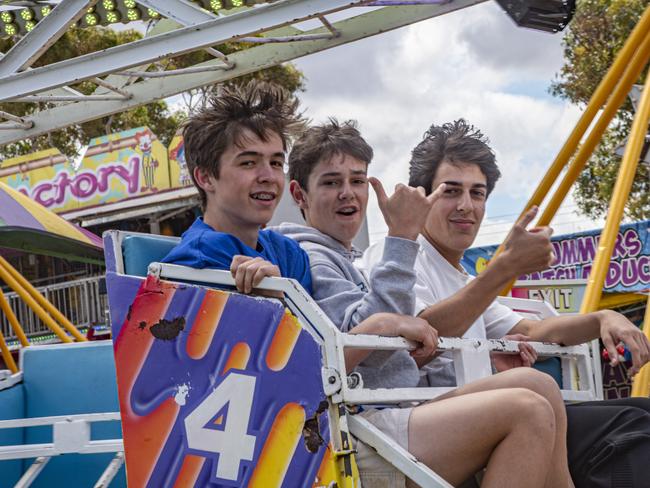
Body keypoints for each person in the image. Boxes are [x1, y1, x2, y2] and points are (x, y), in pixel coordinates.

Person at [279, 119, 575, 488]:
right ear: (299, 194)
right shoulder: (313, 256)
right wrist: (402, 237)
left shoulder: (346, 259)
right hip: (359, 421)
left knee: (539, 385)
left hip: (393, 409)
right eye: (331, 182)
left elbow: (395, 338)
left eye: (357, 181)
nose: (347, 193)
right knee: (527, 410)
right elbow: (374, 347)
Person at [360, 119, 650, 488]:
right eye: (451, 191)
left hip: (487, 413)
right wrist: (503, 268)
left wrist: (603, 318)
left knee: (641, 410)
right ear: (423, 195)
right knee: (628, 424)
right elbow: (420, 339)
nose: (466, 206)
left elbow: (533, 330)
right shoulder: (397, 258)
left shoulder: (464, 279)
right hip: (429, 425)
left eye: (477, 194)